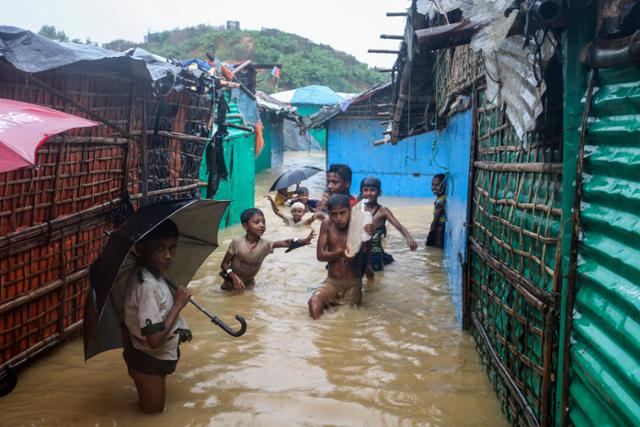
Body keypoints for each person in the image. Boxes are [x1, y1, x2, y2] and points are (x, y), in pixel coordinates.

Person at [121, 219, 192, 414]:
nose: (168, 256)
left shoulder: (155, 276)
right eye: (160, 248)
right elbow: (153, 340)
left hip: (144, 358)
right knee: (152, 416)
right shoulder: (146, 285)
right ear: (142, 249)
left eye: (172, 248)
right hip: (147, 362)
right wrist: (178, 304)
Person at [220, 208, 314, 291]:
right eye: (256, 222)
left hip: (248, 286)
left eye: (263, 222)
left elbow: (286, 242)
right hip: (229, 285)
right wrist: (233, 276)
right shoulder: (237, 242)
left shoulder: (266, 245)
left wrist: (303, 241)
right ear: (245, 226)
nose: (262, 225)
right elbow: (224, 264)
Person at [308, 194, 369, 319]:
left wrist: (368, 237)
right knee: (314, 302)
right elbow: (320, 256)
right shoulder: (326, 224)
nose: (339, 218)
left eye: (342, 213)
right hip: (332, 281)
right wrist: (341, 253)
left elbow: (366, 252)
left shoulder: (359, 225)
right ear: (329, 213)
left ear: (350, 211)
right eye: (334, 214)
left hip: (352, 284)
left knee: (344, 317)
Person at [360, 177, 418, 271]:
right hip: (359, 254)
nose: (368, 193)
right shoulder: (358, 208)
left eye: (372, 190)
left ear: (379, 192)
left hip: (375, 256)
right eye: (365, 190)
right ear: (362, 192)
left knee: (375, 282)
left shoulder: (383, 211)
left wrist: (409, 238)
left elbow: (400, 227)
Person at [426, 173, 446, 248]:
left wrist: (430, 234)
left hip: (439, 231)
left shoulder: (440, 201)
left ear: (444, 185)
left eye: (437, 185)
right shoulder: (441, 198)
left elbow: (435, 220)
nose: (434, 187)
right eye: (432, 184)